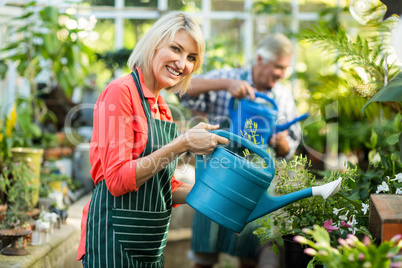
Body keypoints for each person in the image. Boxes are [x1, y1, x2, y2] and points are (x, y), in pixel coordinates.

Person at [76, 13, 229, 268]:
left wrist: (217, 197)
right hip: (113, 243)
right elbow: (116, 180)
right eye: (176, 49)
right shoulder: (121, 92)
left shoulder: (161, 107)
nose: (182, 63)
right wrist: (183, 143)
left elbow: (162, 186)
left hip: (149, 246)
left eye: (191, 57)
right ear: (154, 44)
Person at [179, 33, 302, 268]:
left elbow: (290, 146)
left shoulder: (282, 95)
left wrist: (282, 142)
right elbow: (183, 88)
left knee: (248, 254)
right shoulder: (229, 77)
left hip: (252, 185)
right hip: (216, 178)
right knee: (204, 256)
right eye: (278, 67)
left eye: (285, 68)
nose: (281, 74)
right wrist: (227, 86)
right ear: (259, 59)